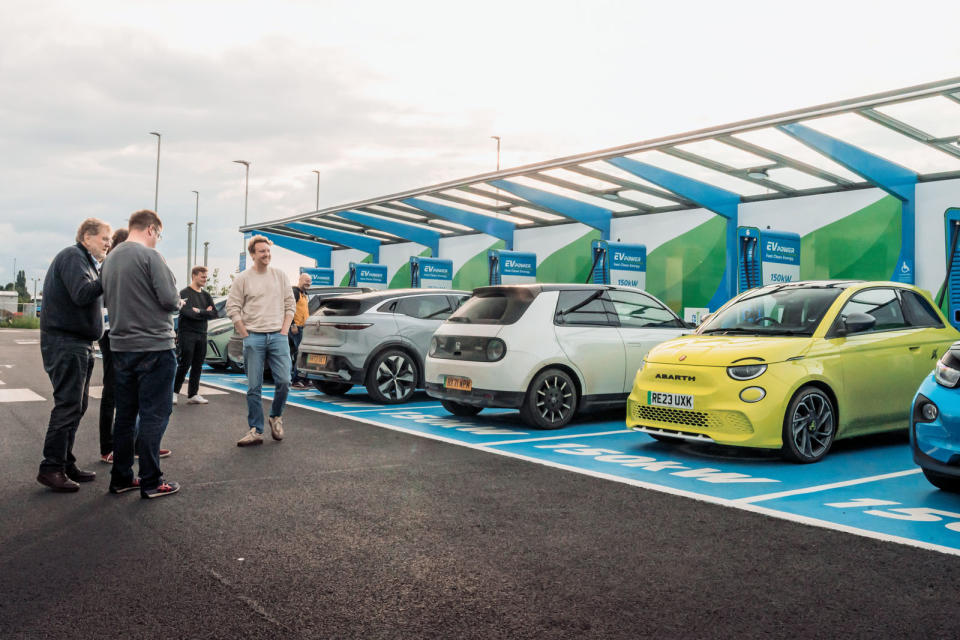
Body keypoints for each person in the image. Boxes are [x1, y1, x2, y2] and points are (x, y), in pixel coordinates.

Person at [101, 210, 182, 498]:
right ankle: (151, 481)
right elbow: (171, 300)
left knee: (124, 416)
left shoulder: (109, 259)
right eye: (158, 235)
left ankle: (121, 477)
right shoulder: (151, 257)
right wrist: (180, 301)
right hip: (154, 347)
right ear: (151, 229)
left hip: (121, 347)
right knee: (154, 414)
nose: (157, 240)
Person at [36, 218, 111, 492]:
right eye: (104, 238)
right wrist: (108, 274)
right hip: (65, 343)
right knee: (68, 405)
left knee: (77, 406)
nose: (108, 243)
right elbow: (81, 294)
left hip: (78, 344)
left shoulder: (87, 263)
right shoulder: (72, 256)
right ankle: (51, 467)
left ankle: (65, 462)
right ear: (87, 237)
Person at [98, 228, 171, 463]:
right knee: (146, 407)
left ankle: (126, 463)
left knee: (128, 410)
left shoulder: (109, 265)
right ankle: (144, 470)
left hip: (119, 340)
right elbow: (168, 299)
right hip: (138, 341)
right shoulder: (145, 257)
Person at [226, 235, 295, 447]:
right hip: (253, 337)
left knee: (284, 381)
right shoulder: (243, 279)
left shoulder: (280, 276)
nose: (266, 254)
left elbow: (290, 303)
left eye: (268, 250)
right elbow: (232, 307)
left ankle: (275, 416)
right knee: (254, 387)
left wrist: (284, 330)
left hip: (278, 336)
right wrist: (245, 333)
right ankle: (256, 430)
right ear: (253, 254)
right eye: (262, 251)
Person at [173, 265, 217, 405]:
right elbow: (187, 313)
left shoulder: (206, 295)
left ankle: (193, 394)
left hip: (202, 333)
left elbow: (215, 313)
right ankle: (174, 392)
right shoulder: (184, 293)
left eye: (206, 277)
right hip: (187, 333)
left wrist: (199, 311)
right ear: (194, 276)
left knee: (198, 364)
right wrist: (204, 312)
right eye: (202, 276)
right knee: (185, 363)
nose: (205, 279)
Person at [289, 272, 312, 390]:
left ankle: (305, 379)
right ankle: (296, 380)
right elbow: (289, 308)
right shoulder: (295, 292)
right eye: (306, 281)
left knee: (303, 354)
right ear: (300, 280)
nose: (308, 283)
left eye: (310, 281)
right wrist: (292, 324)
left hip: (304, 327)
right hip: (296, 327)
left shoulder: (304, 294)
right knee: (301, 354)